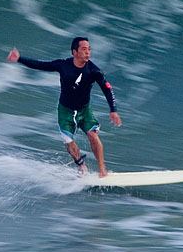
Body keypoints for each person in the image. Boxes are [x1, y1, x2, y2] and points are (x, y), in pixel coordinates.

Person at [7, 37, 122, 177]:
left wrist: (113, 110)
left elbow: (107, 89)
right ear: (75, 52)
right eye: (84, 49)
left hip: (84, 111)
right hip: (65, 111)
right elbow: (40, 65)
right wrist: (19, 58)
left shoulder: (93, 71)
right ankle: (81, 166)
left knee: (93, 134)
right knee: (69, 140)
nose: (88, 52)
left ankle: (102, 169)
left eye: (89, 49)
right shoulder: (63, 65)